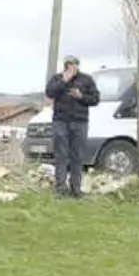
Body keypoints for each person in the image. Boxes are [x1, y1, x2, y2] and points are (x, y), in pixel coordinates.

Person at [45, 54, 99, 198]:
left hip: (80, 122)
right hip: (61, 121)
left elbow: (95, 99)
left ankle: (76, 189)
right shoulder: (57, 78)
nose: (71, 67)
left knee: (77, 156)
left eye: (73, 64)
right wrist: (64, 80)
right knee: (61, 156)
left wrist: (81, 96)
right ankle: (60, 189)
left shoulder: (86, 80)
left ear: (77, 65)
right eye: (68, 64)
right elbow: (49, 93)